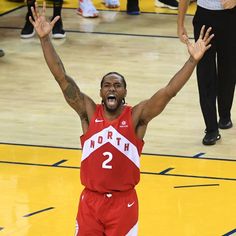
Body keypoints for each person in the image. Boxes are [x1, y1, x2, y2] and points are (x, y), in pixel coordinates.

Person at [29, 1, 213, 235]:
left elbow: (169, 91)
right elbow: (62, 78)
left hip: (123, 204)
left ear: (125, 92)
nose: (112, 89)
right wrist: (45, 39)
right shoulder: (88, 112)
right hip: (90, 202)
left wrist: (192, 60)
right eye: (107, 85)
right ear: (100, 93)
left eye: (117, 85)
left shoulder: (137, 117)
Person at [177, 0, 236, 145]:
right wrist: (180, 24)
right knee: (205, 73)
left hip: (231, 17)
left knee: (228, 71)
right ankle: (211, 129)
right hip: (204, 17)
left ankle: (224, 114)